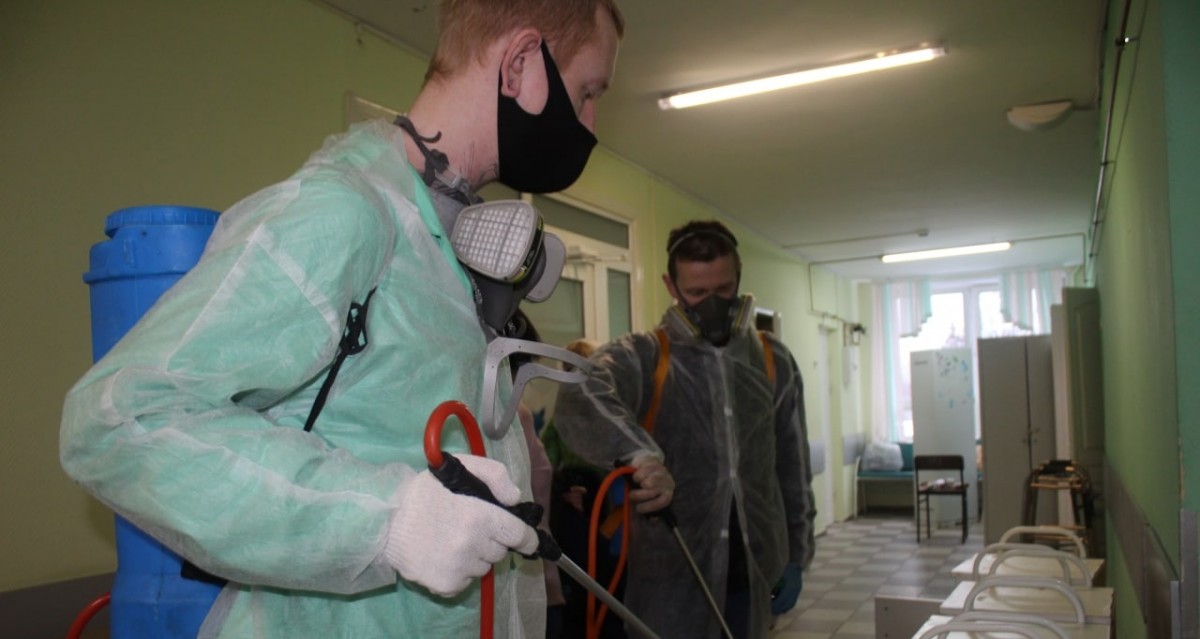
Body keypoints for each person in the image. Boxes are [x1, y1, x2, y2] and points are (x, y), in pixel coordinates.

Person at [59, 2, 624, 637]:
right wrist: (390, 521)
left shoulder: (442, 242)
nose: (590, 122)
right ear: (520, 63)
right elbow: (119, 421)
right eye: (587, 92)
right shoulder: (344, 212)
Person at [553, 220, 816, 639]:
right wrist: (640, 454)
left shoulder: (772, 360)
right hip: (671, 580)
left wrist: (797, 555)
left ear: (739, 278)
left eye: (724, 289)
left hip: (753, 574)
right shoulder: (645, 356)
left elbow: (793, 468)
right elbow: (580, 389)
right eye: (696, 292)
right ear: (671, 286)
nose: (712, 304)